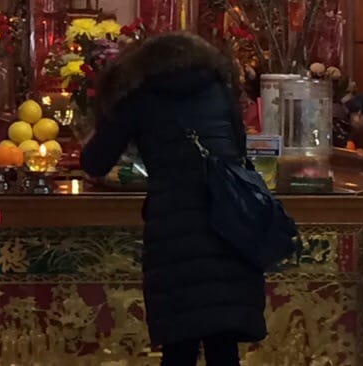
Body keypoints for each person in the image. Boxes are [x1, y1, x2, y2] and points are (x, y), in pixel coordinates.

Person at [80, 32, 266, 366]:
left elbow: (95, 162)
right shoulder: (216, 88)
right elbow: (238, 151)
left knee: (179, 349)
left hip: (174, 232)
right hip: (229, 223)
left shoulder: (138, 93)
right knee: (224, 350)